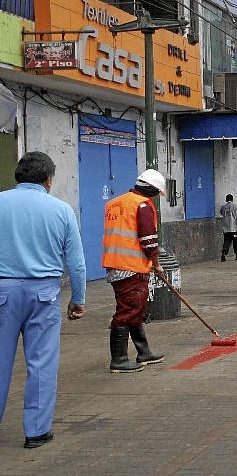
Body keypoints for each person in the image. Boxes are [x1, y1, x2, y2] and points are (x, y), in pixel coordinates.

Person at [0, 151, 86, 449]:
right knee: (41, 363)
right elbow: (76, 263)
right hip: (44, 294)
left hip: (3, 293)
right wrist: (78, 299)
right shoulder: (61, 210)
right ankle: (36, 432)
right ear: (48, 180)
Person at [102, 169, 166, 373]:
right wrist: (156, 264)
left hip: (115, 264)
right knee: (127, 311)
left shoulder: (114, 203)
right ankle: (119, 359)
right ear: (153, 190)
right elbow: (149, 240)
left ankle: (144, 351)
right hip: (132, 267)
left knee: (135, 309)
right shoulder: (142, 205)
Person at [220, 194, 237, 261]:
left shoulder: (223, 207)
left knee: (226, 242)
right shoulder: (234, 206)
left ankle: (224, 253)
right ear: (232, 199)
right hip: (234, 229)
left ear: (226, 199)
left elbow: (221, 213)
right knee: (236, 242)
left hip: (226, 228)